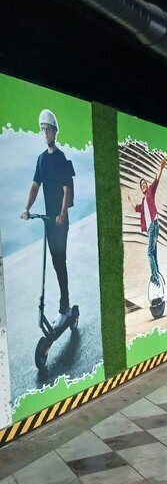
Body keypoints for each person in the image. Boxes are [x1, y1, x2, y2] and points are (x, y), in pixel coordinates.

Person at [21, 109, 75, 327]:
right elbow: (35, 186)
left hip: (60, 220)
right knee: (55, 263)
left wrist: (62, 213)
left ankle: (65, 308)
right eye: (42, 129)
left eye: (48, 129)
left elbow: (67, 189)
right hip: (49, 221)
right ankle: (65, 307)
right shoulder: (41, 160)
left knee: (60, 262)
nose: (45, 133)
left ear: (55, 131)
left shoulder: (61, 159)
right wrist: (27, 208)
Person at [128, 157, 167, 287]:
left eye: (144, 183)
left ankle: (155, 278)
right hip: (151, 228)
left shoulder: (150, 191)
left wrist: (161, 168)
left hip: (154, 225)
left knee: (149, 253)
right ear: (141, 188)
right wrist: (130, 200)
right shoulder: (143, 201)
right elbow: (136, 208)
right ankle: (158, 279)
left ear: (146, 185)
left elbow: (156, 181)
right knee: (153, 254)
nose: (143, 185)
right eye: (142, 185)